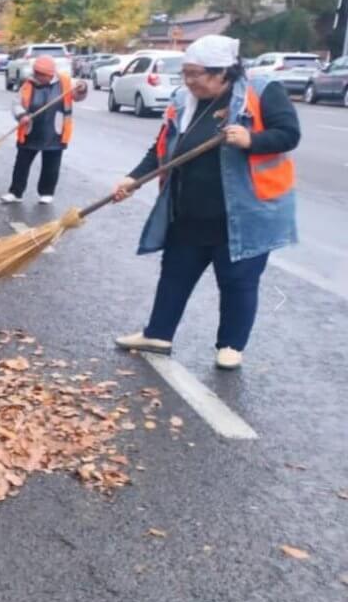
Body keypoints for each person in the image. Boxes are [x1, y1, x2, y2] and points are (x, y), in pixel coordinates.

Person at [111, 35, 300, 370]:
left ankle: (230, 346)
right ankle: (158, 334)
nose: (189, 81)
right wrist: (133, 178)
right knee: (174, 274)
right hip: (189, 211)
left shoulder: (261, 90)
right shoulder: (185, 100)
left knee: (237, 280)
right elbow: (162, 146)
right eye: (186, 73)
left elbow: (289, 133)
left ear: (222, 73)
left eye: (196, 74)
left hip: (243, 214)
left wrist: (251, 139)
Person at [0, 56, 86, 205]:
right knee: (22, 163)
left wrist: (82, 87)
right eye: (36, 73)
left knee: (51, 165)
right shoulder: (28, 84)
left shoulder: (66, 82)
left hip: (55, 131)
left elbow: (78, 95)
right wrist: (22, 115)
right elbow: (16, 103)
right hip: (31, 130)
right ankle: (16, 192)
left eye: (41, 75)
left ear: (50, 74)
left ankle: (46, 192)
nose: (38, 77)